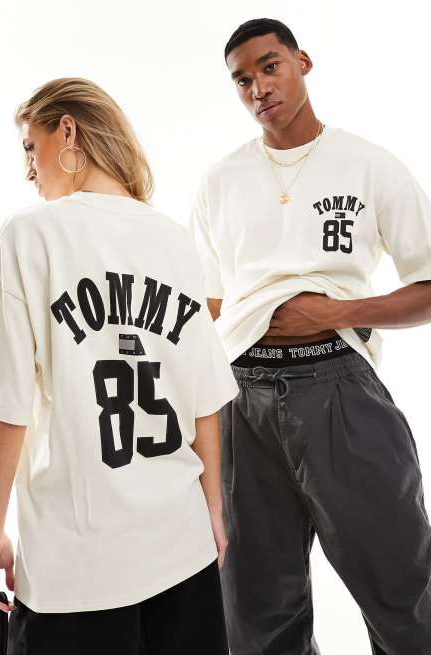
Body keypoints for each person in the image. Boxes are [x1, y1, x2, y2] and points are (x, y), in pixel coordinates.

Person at [0, 76, 239, 655]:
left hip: (75, 565)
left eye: (31, 147)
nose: (29, 170)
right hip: (181, 548)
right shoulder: (174, 240)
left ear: (68, 131)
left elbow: (8, 407)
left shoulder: (29, 235)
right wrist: (213, 509)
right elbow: (203, 400)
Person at [188, 17, 431, 655]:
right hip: (240, 399)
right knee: (256, 612)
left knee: (402, 592)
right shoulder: (220, 182)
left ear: (302, 62)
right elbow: (209, 307)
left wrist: (334, 313)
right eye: (242, 80)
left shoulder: (369, 165)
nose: (259, 88)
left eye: (270, 67)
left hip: (338, 389)